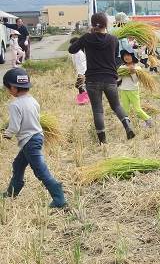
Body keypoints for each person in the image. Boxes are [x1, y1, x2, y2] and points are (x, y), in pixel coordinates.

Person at [1, 68, 66, 208]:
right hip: (36, 137)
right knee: (18, 164)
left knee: (40, 170)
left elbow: (15, 127)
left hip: (29, 141)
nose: (8, 91)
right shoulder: (33, 100)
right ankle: (12, 192)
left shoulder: (15, 105)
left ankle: (58, 197)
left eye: (7, 88)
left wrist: (7, 133)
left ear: (12, 87)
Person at [68, 11, 136, 143]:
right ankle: (127, 126)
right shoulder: (113, 39)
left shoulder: (87, 38)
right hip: (110, 79)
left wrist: (87, 34)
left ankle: (103, 141)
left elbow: (72, 49)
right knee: (116, 106)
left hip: (93, 80)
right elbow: (117, 58)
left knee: (98, 110)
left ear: (93, 24)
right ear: (106, 24)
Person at [117, 46, 153, 128]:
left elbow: (135, 81)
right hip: (123, 90)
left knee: (137, 109)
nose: (126, 57)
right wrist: (118, 75)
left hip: (133, 90)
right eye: (125, 56)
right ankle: (127, 125)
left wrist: (132, 72)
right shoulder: (122, 67)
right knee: (125, 110)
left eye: (129, 55)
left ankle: (148, 120)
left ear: (133, 57)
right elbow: (119, 79)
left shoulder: (137, 68)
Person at [69, 36, 89, 105]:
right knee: (81, 86)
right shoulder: (76, 52)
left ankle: (83, 100)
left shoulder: (79, 53)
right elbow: (75, 63)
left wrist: (83, 73)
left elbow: (83, 63)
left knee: (79, 86)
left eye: (72, 44)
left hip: (83, 71)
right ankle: (83, 100)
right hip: (80, 71)